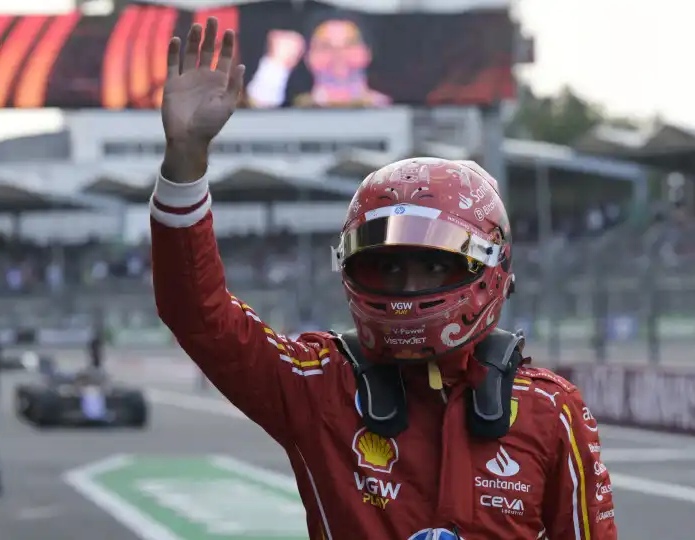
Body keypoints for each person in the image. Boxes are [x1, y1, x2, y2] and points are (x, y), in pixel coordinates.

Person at [152, 18, 616, 539]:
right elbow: (197, 313)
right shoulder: (320, 386)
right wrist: (185, 162)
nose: (408, 287)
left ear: (492, 267)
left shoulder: (550, 411)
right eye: (388, 266)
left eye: (433, 264)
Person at [245, 13, 391, 108]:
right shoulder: (296, 109)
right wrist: (276, 65)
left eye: (349, 44)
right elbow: (258, 117)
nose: (338, 54)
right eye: (325, 46)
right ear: (308, 57)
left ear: (367, 52)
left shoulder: (387, 107)